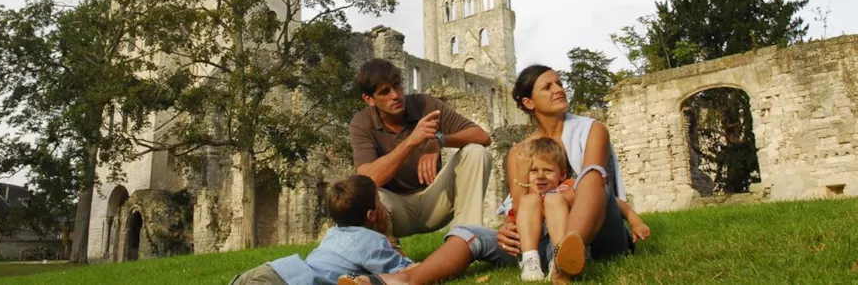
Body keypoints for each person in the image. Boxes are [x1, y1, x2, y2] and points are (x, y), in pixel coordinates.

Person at [338, 64, 647, 285]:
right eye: (548, 86)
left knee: (591, 174)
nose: (559, 90)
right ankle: (397, 279)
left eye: (558, 83)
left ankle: (568, 256)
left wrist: (438, 139)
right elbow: (521, 202)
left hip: (597, 235)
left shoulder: (593, 129)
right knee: (468, 236)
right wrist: (508, 228)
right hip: (538, 241)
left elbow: (597, 187)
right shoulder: (519, 151)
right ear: (528, 103)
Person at [349, 59, 493, 241]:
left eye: (397, 86)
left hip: (435, 201)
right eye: (385, 92)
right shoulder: (361, 123)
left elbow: (482, 136)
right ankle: (388, 255)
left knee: (476, 152)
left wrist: (438, 140)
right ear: (369, 99)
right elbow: (368, 179)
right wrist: (411, 142)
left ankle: (466, 243)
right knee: (361, 194)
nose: (395, 95)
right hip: (394, 208)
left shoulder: (425, 105)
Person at [228, 175, 416, 285]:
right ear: (372, 215)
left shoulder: (333, 233)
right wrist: (389, 236)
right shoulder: (373, 241)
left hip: (274, 269)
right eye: (378, 201)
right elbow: (408, 273)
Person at [511, 137, 650, 281]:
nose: (540, 176)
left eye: (547, 170)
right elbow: (514, 221)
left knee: (554, 198)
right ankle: (530, 261)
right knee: (528, 201)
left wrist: (636, 222)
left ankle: (561, 259)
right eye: (534, 171)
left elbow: (613, 201)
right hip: (540, 249)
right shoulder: (527, 197)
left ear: (562, 174)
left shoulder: (569, 186)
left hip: (570, 244)